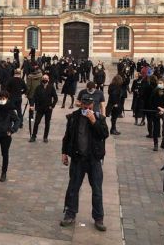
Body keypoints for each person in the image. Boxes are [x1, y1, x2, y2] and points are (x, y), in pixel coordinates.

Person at [60, 94, 109, 232]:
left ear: (92, 105)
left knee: (97, 190)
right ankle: (70, 214)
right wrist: (64, 153)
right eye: (84, 105)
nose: (86, 108)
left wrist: (94, 121)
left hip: (94, 160)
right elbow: (67, 136)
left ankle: (98, 218)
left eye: (89, 106)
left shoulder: (99, 117)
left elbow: (104, 134)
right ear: (80, 104)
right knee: (73, 188)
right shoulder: (74, 117)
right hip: (78, 159)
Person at [29, 73, 58, 143]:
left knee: (47, 123)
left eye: (46, 79)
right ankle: (33, 136)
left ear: (48, 80)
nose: (44, 80)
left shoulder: (51, 87)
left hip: (48, 108)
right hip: (40, 108)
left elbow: (56, 98)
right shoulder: (38, 87)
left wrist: (52, 106)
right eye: (43, 79)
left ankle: (45, 137)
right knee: (36, 123)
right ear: (42, 80)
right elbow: (34, 97)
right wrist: (32, 105)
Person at [148, 78, 164, 151]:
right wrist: (156, 109)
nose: (159, 84)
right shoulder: (154, 91)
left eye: (161, 83)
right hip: (155, 111)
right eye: (159, 83)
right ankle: (155, 144)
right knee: (156, 127)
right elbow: (151, 101)